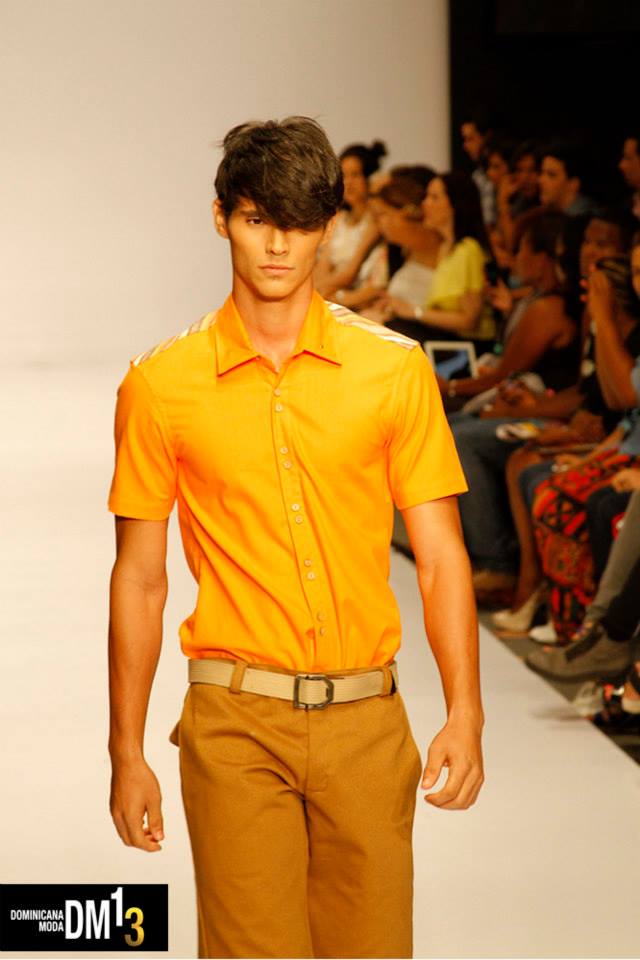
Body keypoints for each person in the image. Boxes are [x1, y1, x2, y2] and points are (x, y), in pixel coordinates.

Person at [106, 116, 484, 960]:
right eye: (257, 219)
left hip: (366, 723)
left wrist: (467, 712)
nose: (278, 245)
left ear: (327, 227)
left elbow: (440, 557)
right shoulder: (160, 385)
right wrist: (125, 751)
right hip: (234, 722)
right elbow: (139, 578)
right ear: (221, 218)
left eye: (300, 223)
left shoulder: (394, 371)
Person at [380, 171, 497, 345]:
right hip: (442, 337)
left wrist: (413, 311)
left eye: (434, 198)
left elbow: (469, 321)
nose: (425, 203)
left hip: (466, 345)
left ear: (455, 205)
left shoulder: (468, 250)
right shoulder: (446, 248)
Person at [314, 140, 387, 309]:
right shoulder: (339, 219)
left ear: (368, 177)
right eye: (344, 176)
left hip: (359, 299)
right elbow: (323, 265)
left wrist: (320, 292)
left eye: (355, 175)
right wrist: (318, 289)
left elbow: (350, 273)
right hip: (329, 294)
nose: (349, 183)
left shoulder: (375, 221)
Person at [362, 170, 440, 323]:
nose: (378, 224)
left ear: (407, 212)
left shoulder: (439, 246)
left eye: (383, 214)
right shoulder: (404, 250)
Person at [538, 139, 597, 217]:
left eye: (551, 175)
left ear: (573, 184)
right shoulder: (556, 216)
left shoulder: (586, 219)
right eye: (542, 173)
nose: (540, 180)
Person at [460, 108, 495, 226]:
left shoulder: (502, 174)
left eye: (470, 139)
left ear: (487, 137)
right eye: (464, 139)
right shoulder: (477, 176)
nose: (465, 145)